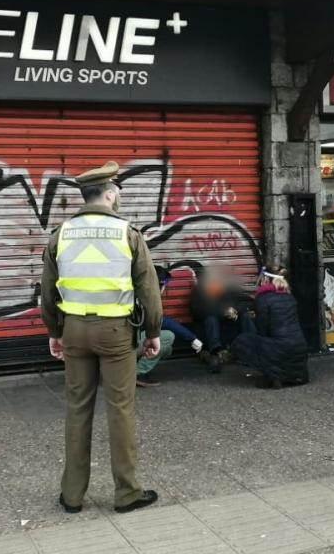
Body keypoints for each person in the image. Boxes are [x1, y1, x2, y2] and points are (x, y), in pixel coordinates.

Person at [41, 161, 161, 514]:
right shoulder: (127, 233)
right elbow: (149, 288)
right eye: (117, 190)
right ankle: (127, 493)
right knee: (120, 409)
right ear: (108, 194)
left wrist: (54, 332)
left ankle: (72, 495)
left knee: (77, 409)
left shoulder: (61, 234)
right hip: (115, 333)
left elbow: (47, 291)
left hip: (74, 330)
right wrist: (153, 331)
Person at [231, 264, 310, 389]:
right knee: (277, 345)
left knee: (241, 342)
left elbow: (263, 330)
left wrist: (254, 318)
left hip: (280, 347)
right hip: (299, 348)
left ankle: (273, 374)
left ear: (266, 279)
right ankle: (286, 375)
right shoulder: (290, 296)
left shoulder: (263, 298)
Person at [135, 266, 203, 388]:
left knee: (167, 347)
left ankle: (130, 369)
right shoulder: (147, 299)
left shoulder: (138, 293)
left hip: (118, 342)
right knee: (167, 338)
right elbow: (162, 321)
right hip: (127, 344)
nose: (165, 288)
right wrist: (192, 338)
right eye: (165, 284)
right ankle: (137, 373)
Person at [190, 265, 253, 373]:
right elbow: (200, 312)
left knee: (244, 316)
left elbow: (244, 301)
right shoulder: (197, 292)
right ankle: (215, 353)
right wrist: (224, 311)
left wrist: (235, 311)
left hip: (227, 327)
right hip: (208, 331)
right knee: (211, 319)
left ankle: (252, 346)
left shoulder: (226, 290)